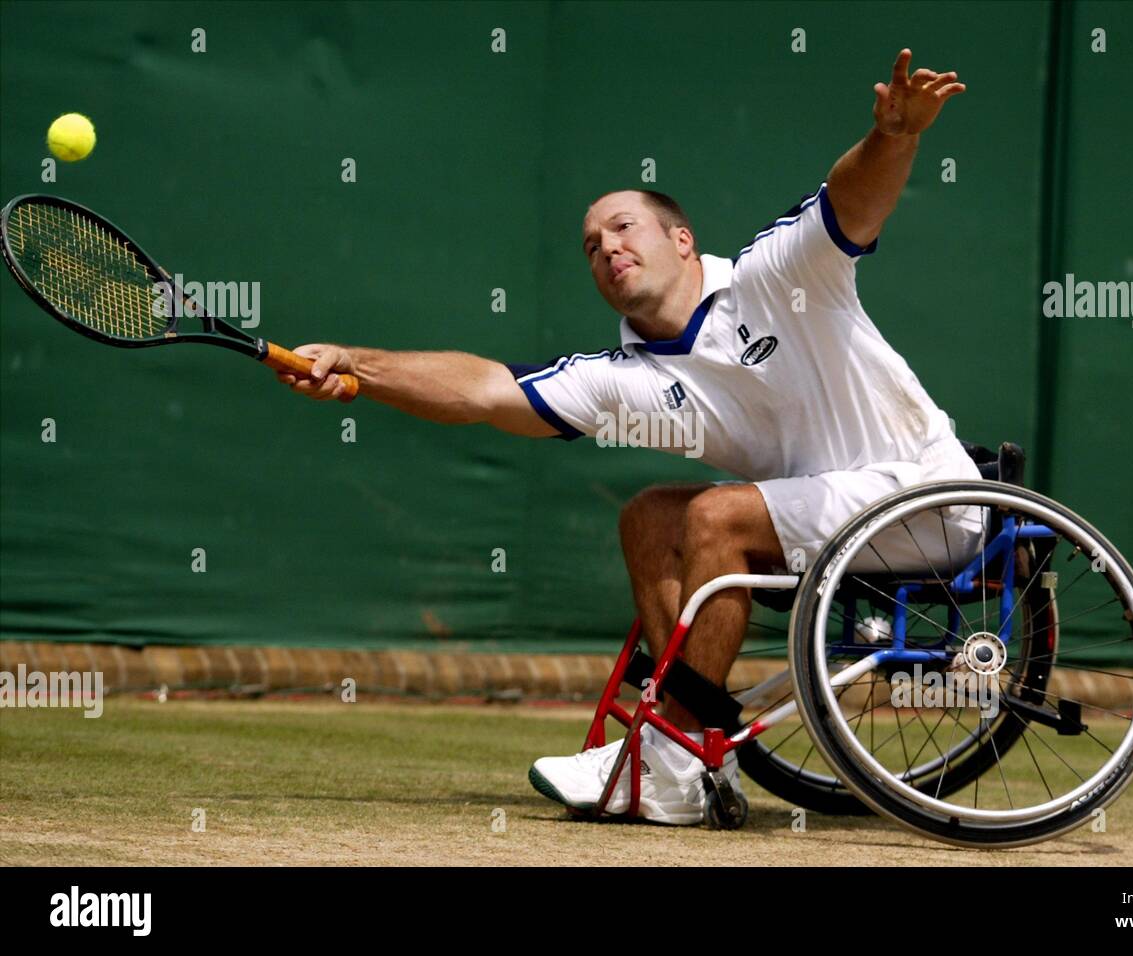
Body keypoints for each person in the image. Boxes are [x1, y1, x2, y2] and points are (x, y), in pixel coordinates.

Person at [279, 49, 978, 825]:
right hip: (828, 525)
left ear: (682, 241)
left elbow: (854, 205)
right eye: (590, 245)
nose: (606, 247)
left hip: (926, 500)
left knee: (717, 517)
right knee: (650, 516)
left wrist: (894, 137)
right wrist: (359, 368)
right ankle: (693, 745)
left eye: (623, 227)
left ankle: (673, 755)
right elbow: (484, 391)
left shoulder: (778, 276)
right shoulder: (626, 376)